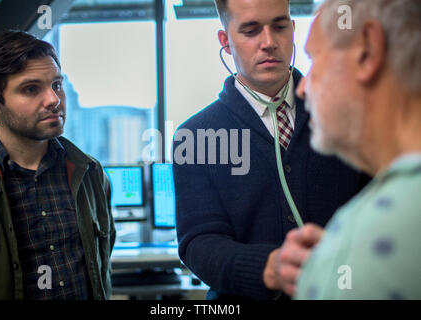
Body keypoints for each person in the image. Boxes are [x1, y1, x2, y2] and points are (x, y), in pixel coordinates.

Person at [172, 0, 368, 300]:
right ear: (225, 41)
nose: (268, 43)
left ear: (292, 29)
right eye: (250, 31)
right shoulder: (195, 135)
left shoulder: (344, 115)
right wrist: (268, 268)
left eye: (278, 27)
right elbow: (198, 243)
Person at [274, 0, 421, 299]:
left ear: (367, 51)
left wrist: (345, 254)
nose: (302, 89)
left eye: (314, 59)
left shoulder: (367, 238)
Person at [0, 31, 116, 300]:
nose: (53, 100)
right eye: (30, 89)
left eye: (56, 85)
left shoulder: (91, 174)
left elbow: (102, 269)